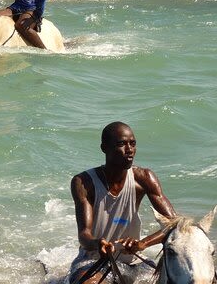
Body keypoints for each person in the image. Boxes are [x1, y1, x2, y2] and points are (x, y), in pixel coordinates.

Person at [67, 122, 176, 284]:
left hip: (133, 263)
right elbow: (84, 235)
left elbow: (174, 224)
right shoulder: (84, 182)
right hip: (94, 261)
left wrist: (142, 244)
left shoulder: (144, 178)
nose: (129, 149)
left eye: (132, 143)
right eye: (121, 144)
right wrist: (98, 244)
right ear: (104, 148)